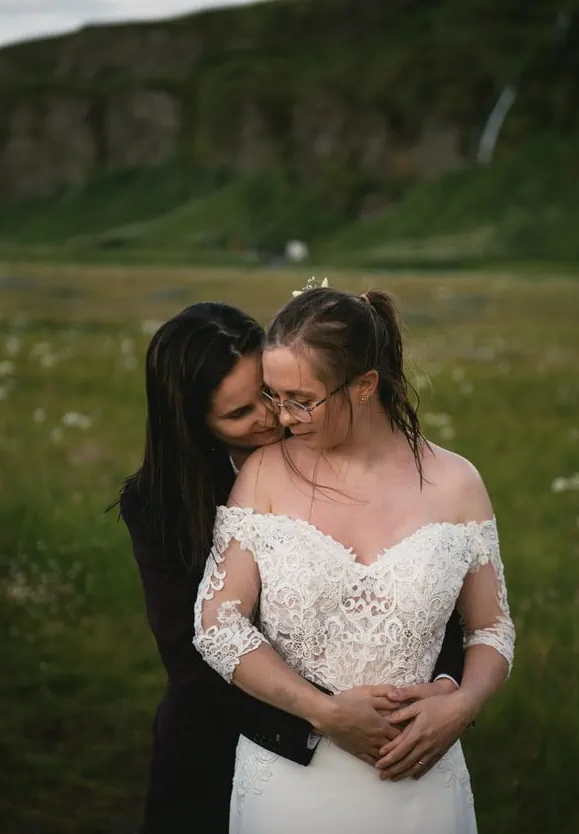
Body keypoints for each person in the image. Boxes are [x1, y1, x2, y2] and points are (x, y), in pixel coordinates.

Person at [115, 302, 468, 834]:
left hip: (376, 743)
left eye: (268, 394)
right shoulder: (157, 504)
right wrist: (323, 720)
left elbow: (420, 581)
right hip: (223, 740)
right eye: (238, 415)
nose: (272, 418)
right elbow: (191, 658)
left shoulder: (329, 443)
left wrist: (444, 685)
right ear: (193, 424)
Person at [192, 287, 515, 833]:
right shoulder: (265, 475)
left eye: (302, 399)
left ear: (364, 386)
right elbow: (217, 625)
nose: (284, 417)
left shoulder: (458, 482)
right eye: (274, 396)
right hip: (291, 785)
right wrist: (324, 712)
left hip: (421, 783)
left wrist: (459, 705)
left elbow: (491, 626)